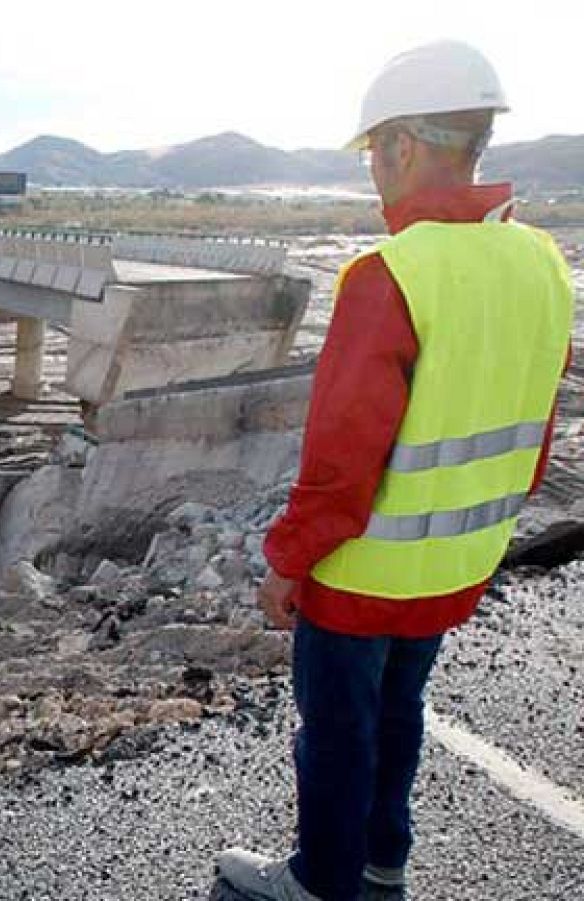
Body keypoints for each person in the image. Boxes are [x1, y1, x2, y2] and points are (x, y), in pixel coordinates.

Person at [213, 41, 573, 901]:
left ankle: (320, 881)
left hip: (365, 569)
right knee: (400, 711)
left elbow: (341, 462)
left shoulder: (388, 276)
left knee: (335, 730)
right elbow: (539, 433)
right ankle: (384, 862)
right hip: (460, 563)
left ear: (405, 145)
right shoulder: (544, 264)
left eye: (375, 152)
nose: (374, 172)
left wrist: (289, 561)